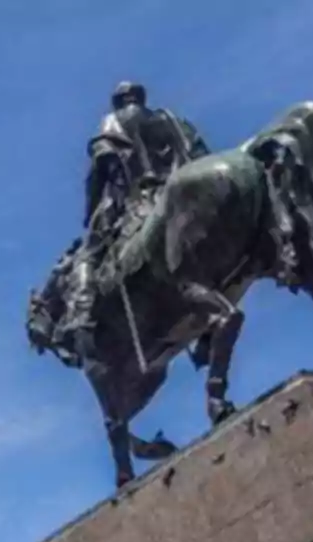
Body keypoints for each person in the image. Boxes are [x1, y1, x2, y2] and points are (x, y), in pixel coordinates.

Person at [60, 83, 209, 353]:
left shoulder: (112, 122)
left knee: (86, 256)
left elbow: (99, 168)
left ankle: (80, 316)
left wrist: (91, 209)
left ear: (118, 102)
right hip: (184, 192)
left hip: (137, 199)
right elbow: (200, 153)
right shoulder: (170, 119)